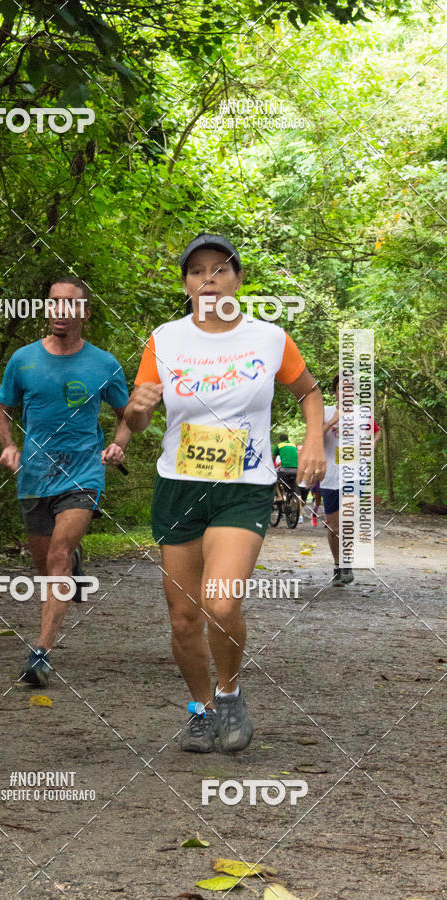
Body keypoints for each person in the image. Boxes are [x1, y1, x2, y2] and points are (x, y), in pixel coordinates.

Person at [125, 233, 326, 753]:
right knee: (183, 616)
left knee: (219, 603)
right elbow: (139, 418)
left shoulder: (268, 338)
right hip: (180, 484)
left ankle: (230, 692)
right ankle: (201, 707)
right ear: (186, 285)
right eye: (197, 272)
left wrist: (312, 443)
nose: (208, 281)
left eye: (220, 270)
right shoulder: (164, 339)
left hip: (243, 486)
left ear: (238, 279)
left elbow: (308, 391)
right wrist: (139, 408)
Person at [0, 277, 132, 686]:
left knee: (57, 556)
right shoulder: (23, 360)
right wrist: (8, 445)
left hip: (83, 473)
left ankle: (41, 652)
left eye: (70, 304)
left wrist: (118, 445)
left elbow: (127, 416)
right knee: (46, 565)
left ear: (84, 313)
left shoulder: (104, 364)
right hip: (34, 475)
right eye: (54, 303)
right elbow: (2, 412)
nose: (60, 310)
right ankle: (71, 565)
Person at [320, 373, 381, 585]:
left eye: (350, 388)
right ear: (335, 391)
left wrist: (371, 444)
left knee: (348, 519)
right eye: (341, 388)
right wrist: (333, 421)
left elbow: (377, 432)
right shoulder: (325, 412)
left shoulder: (363, 413)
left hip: (355, 473)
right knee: (333, 527)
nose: (345, 391)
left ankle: (347, 563)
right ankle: (338, 565)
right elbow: (313, 438)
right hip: (330, 476)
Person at [272, 432, 299, 520]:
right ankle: (292, 500)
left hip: (285, 470)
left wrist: (272, 465)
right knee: (292, 487)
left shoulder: (279, 445)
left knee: (274, 479)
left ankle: (280, 496)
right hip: (296, 470)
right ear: (288, 439)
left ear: (280, 440)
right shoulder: (293, 445)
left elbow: (273, 457)